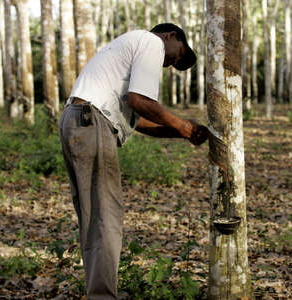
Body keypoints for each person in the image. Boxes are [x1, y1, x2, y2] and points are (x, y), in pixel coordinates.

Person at [58, 23, 209, 299]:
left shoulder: (126, 50)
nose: (171, 62)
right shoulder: (151, 42)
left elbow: (141, 122)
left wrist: (182, 131)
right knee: (106, 217)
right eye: (177, 55)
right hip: (91, 123)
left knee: (95, 217)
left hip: (77, 120)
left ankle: (98, 292)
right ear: (170, 36)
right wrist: (183, 126)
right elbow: (139, 101)